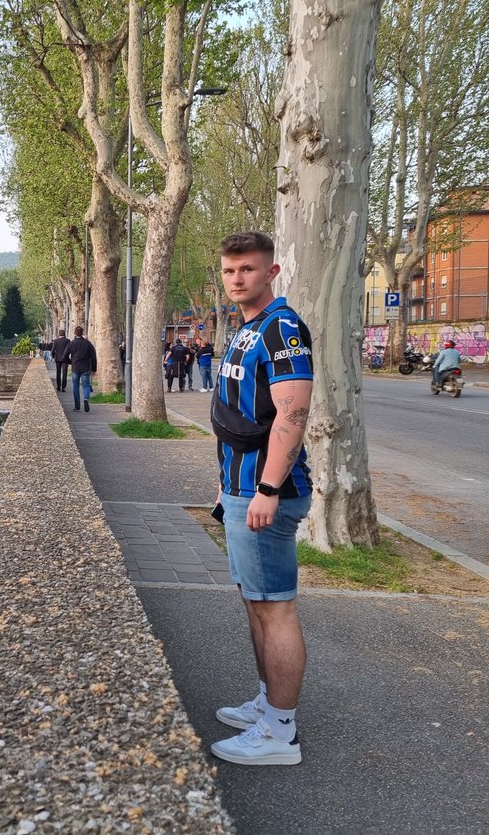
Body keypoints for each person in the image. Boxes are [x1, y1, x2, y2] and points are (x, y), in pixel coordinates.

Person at [208, 230, 313, 767]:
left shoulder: (281, 328)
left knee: (275, 609)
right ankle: (269, 704)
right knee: (257, 601)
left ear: (271, 272)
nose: (236, 278)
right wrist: (228, 485)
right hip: (241, 488)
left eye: (247, 269)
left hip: (266, 492)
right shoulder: (247, 328)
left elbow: (293, 414)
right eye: (229, 270)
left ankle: (280, 732)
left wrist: (268, 489)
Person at [64, 325, 97, 412]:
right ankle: (86, 398)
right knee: (86, 385)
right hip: (86, 368)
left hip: (75, 368)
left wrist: (71, 362)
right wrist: (94, 369)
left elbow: (64, 356)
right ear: (82, 333)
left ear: (74, 333)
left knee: (75, 387)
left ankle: (77, 407)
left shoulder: (71, 343)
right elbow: (93, 357)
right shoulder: (88, 344)